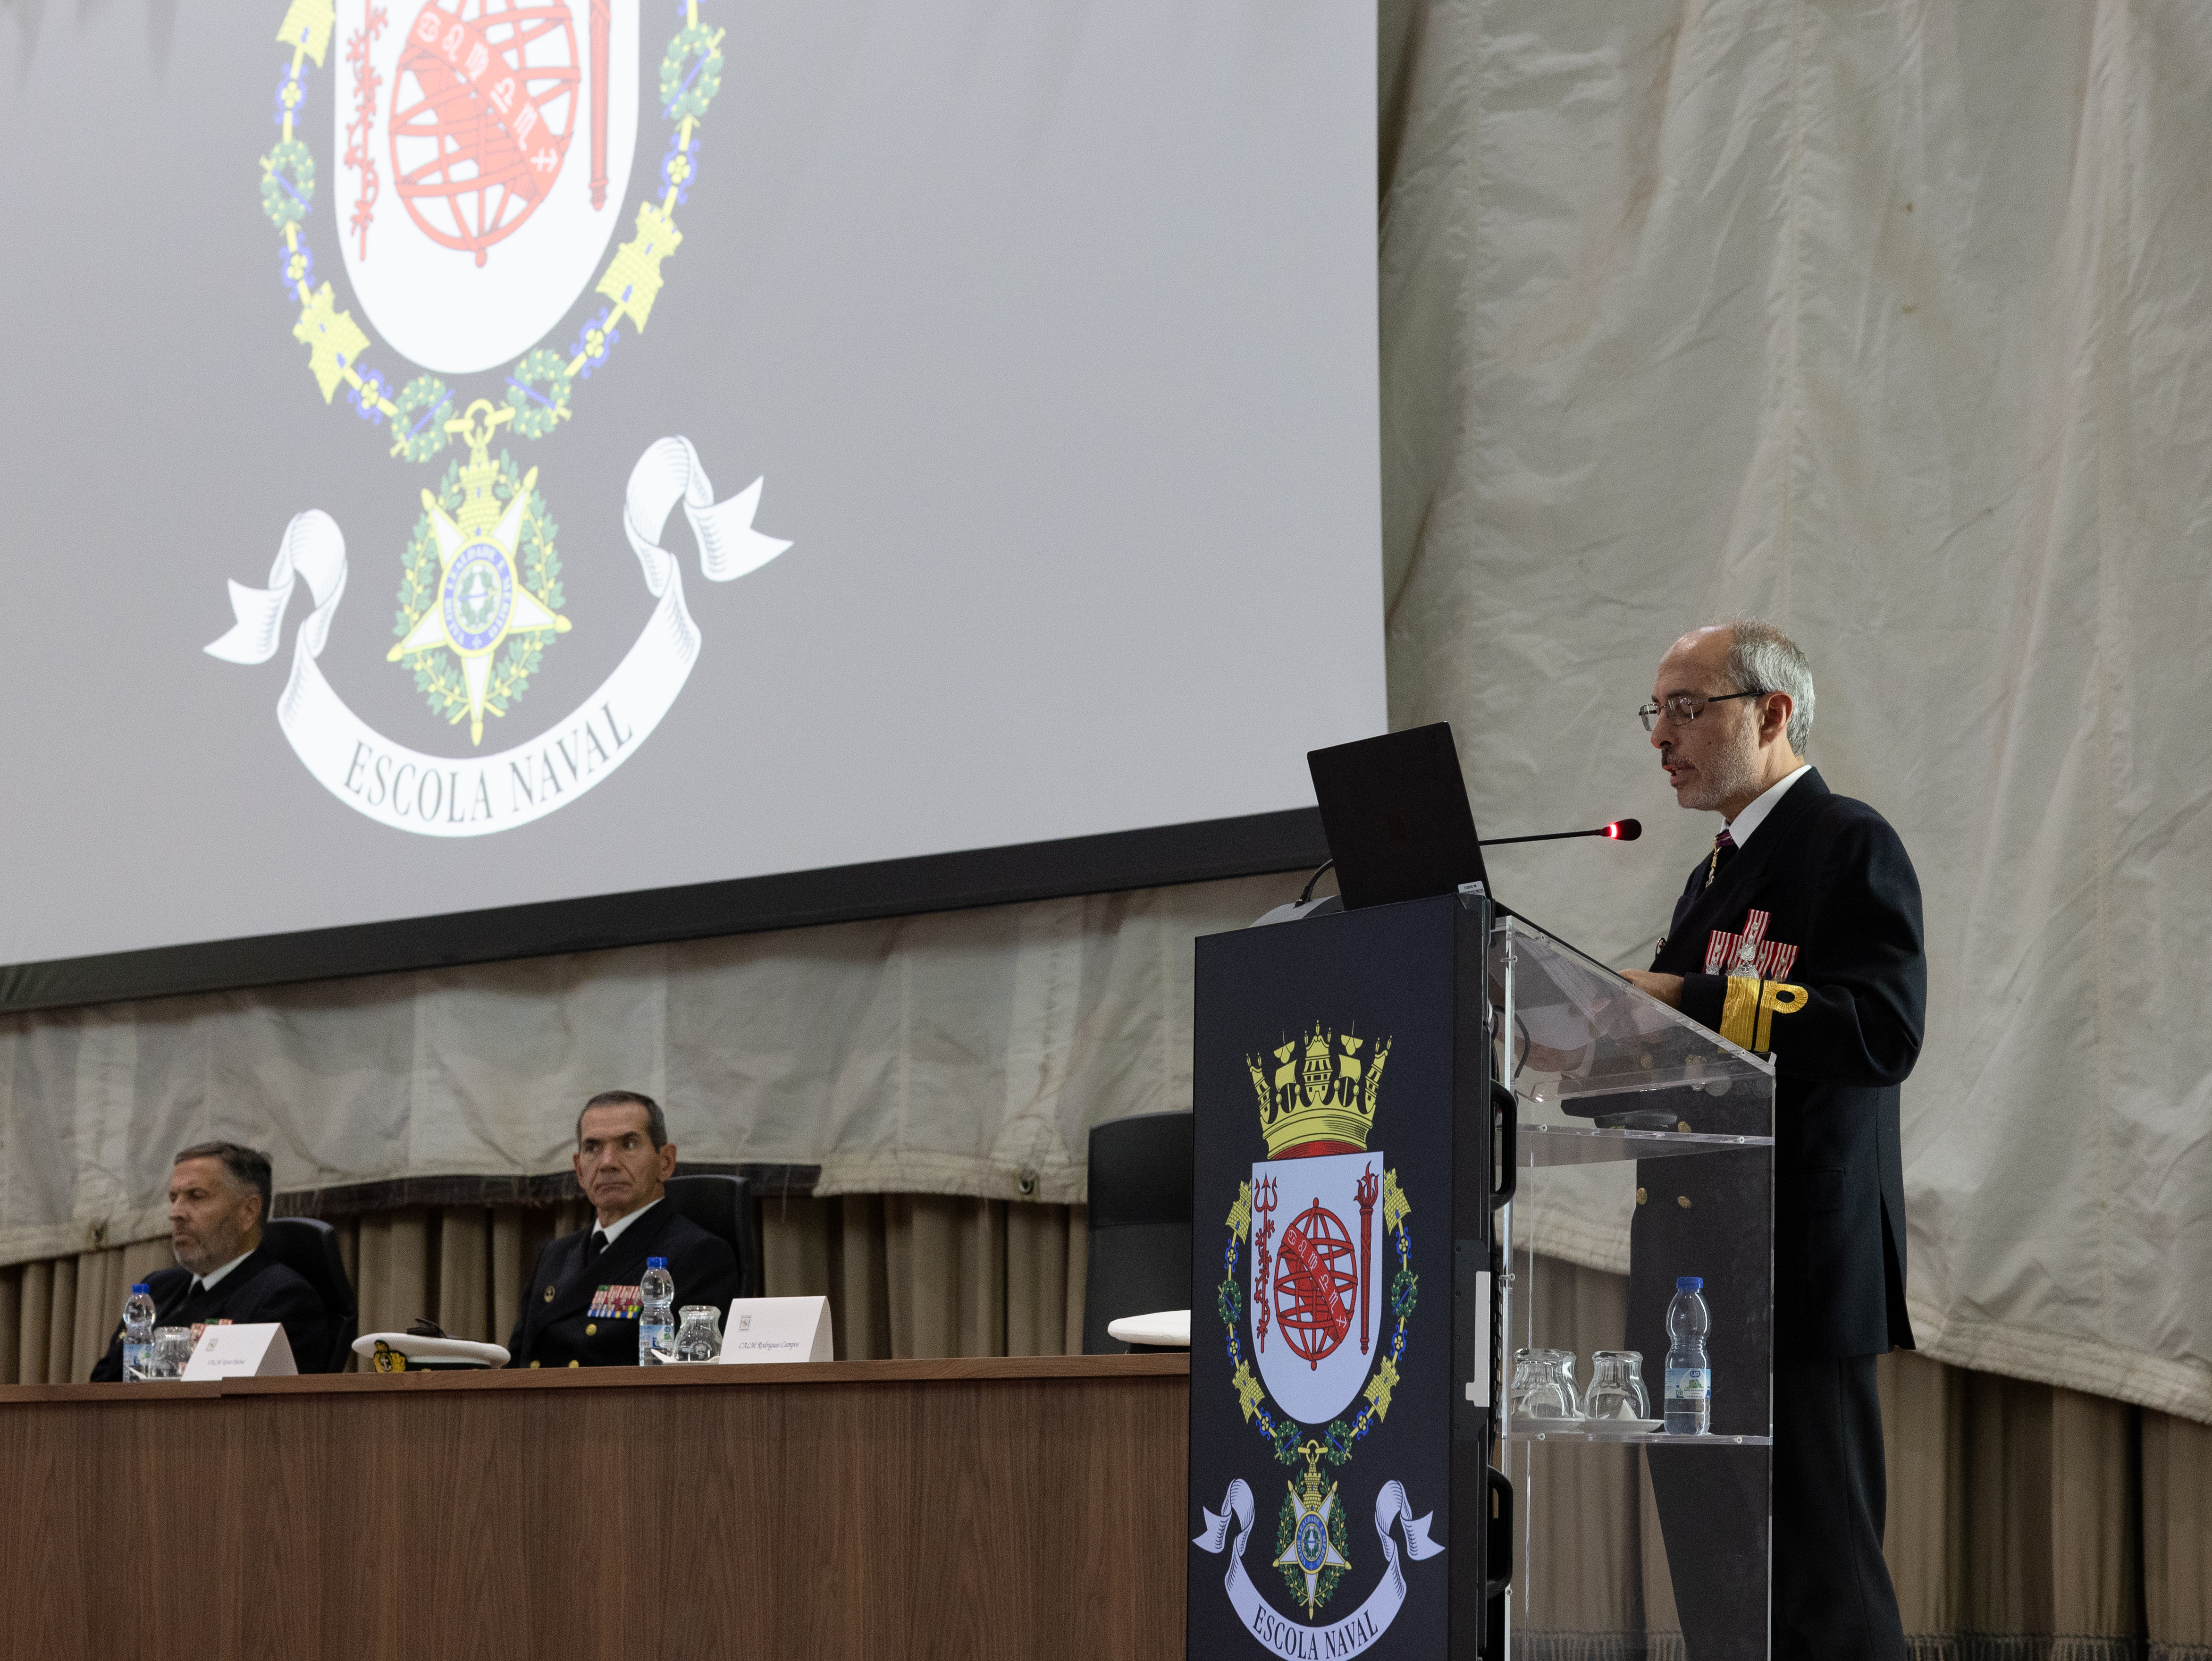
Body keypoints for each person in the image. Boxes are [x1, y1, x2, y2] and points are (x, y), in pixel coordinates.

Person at [1617, 619, 1924, 1661]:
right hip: (1691, 1274)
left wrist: (1686, 997)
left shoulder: (1846, 841)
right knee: (1718, 1581)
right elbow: (1687, 1054)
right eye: (1655, 711)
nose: (1660, 736)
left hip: (1794, 1263)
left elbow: (1881, 1029)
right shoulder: (1714, 872)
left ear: (1771, 712)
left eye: (1685, 708)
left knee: (1822, 1588)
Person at [505, 1090, 742, 1369]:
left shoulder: (698, 1255)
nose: (607, 1163)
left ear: (665, 1162)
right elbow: (517, 1365)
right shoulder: (555, 1255)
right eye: (593, 1148)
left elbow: (686, 1380)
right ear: (579, 1170)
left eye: (628, 1145)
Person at [90, 1142, 332, 1381]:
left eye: (196, 1197)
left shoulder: (282, 1298)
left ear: (248, 1212)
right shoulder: (156, 1289)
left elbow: (270, 1402)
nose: (175, 1213)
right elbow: (104, 1380)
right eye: (174, 1198)